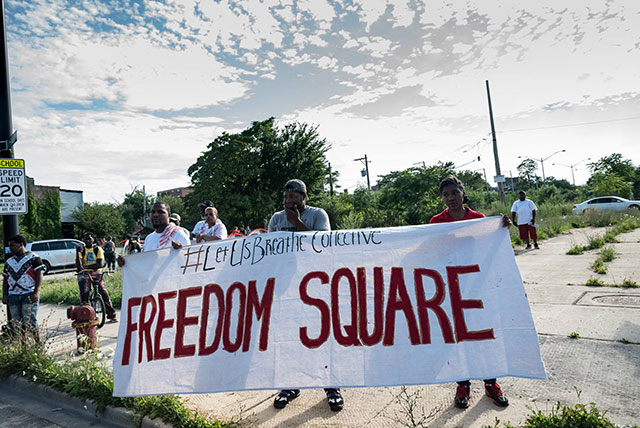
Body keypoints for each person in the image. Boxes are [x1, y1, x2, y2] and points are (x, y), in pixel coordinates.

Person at [429, 176, 510, 409]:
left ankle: (490, 382)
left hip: (478, 285)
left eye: (454, 192)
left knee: (483, 335)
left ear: (463, 193)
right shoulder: (437, 222)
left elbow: (491, 246)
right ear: (442, 198)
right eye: (446, 195)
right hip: (451, 287)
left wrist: (501, 228)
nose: (451, 198)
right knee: (458, 337)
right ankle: (462, 384)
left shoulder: (479, 219)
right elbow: (431, 251)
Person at [268, 179, 342, 411]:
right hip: (287, 285)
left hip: (316, 283)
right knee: (289, 336)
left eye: (293, 197)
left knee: (323, 334)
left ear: (304, 197)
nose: (289, 202)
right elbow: (270, 249)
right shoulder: (276, 219)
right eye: (285, 198)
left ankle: (331, 385)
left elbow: (323, 245)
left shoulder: (318, 215)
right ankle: (291, 384)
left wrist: (297, 224)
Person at [118, 202, 189, 269]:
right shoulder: (149, 238)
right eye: (153, 212)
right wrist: (126, 263)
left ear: (169, 215)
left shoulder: (179, 235)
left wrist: (180, 252)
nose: (155, 215)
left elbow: (189, 263)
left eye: (161, 212)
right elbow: (145, 265)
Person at [2, 234, 44, 340]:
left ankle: (38, 344)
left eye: (12, 245)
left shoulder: (34, 258)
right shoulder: (9, 262)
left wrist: (36, 291)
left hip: (28, 293)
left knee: (30, 320)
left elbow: (39, 274)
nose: (10, 248)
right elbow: (6, 280)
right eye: (9, 246)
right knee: (16, 322)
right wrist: (5, 295)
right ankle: (23, 346)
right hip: (13, 295)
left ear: (21, 245)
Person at [76, 232, 118, 323]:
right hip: (84, 273)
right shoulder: (82, 250)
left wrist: (86, 267)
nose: (87, 241)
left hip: (96, 272)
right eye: (85, 239)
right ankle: (86, 315)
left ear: (93, 240)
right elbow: (79, 267)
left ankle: (112, 314)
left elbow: (100, 264)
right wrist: (77, 253)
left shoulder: (97, 249)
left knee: (103, 291)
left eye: (89, 239)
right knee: (84, 292)